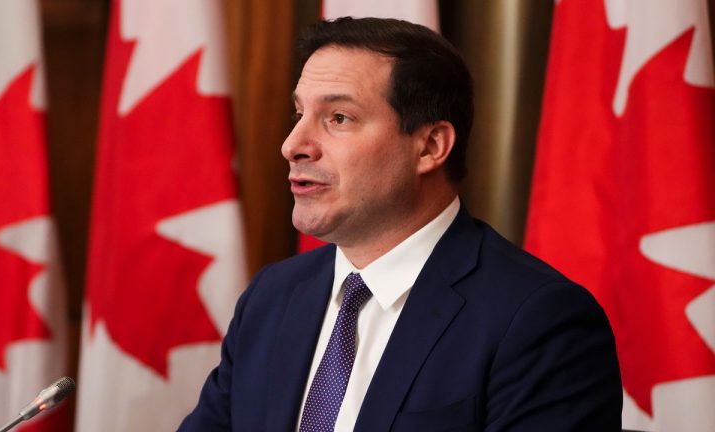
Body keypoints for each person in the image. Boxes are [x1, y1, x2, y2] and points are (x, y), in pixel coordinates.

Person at [179, 17, 622, 431]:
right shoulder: (271, 297)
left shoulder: (538, 321)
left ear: (430, 146)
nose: (293, 145)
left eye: (338, 118)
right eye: (300, 115)